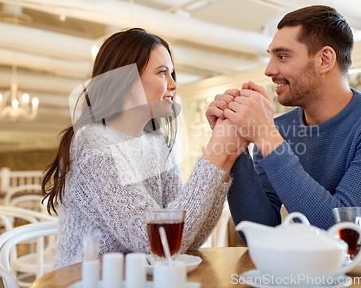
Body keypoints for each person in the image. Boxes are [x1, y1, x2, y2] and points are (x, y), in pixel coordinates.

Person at [206, 5, 361, 265]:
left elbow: (340, 234)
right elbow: (261, 231)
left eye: (282, 56)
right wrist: (236, 145)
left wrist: (265, 135)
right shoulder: (278, 130)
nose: (268, 70)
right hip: (317, 277)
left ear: (325, 60)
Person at [43, 28, 246, 269]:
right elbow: (154, 240)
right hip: (85, 281)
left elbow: (184, 239)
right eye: (162, 73)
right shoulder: (94, 146)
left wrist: (226, 159)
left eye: (172, 74)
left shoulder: (157, 145)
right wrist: (215, 152)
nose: (173, 84)